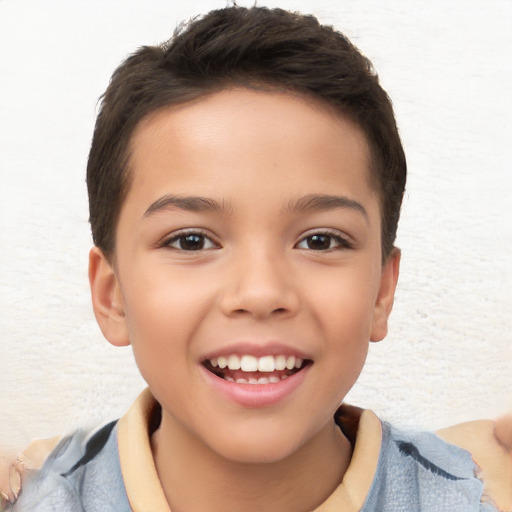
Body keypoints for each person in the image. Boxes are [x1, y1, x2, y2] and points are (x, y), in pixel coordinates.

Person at [5, 5, 511, 511]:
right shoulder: (31, 493)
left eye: (320, 241)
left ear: (382, 290)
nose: (261, 292)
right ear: (111, 296)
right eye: (191, 241)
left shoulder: (482, 492)